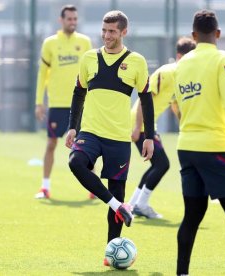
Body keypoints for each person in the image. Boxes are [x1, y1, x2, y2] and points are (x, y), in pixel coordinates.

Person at [65, 10, 154, 265]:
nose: (106, 35)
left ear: (124, 32)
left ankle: (110, 253)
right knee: (75, 163)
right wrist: (73, 127)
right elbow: (78, 92)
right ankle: (118, 205)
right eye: (104, 30)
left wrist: (148, 136)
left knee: (116, 188)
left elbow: (146, 98)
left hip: (118, 138)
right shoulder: (89, 58)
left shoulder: (136, 61)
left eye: (112, 31)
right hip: (90, 132)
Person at [173, 10, 225, 276]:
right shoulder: (223, 58)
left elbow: (178, 104)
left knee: (192, 216)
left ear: (193, 36)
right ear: (217, 33)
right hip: (215, 147)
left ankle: (182, 272)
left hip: (186, 147)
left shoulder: (181, 64)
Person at [128, 37, 196, 219]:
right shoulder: (167, 72)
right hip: (140, 122)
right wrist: (136, 128)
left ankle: (133, 204)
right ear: (179, 56)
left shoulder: (183, 76)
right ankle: (140, 204)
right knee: (162, 164)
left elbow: (175, 104)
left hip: (149, 125)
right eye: (188, 57)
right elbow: (145, 98)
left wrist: (185, 125)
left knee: (156, 165)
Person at [34, 4, 92, 199]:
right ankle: (45, 187)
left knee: (87, 145)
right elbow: (43, 73)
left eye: (75, 19)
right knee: (51, 144)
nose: (73, 22)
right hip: (57, 103)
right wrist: (38, 101)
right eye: (69, 19)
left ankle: (93, 187)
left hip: (81, 102)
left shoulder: (85, 42)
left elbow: (91, 72)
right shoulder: (50, 43)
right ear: (61, 20)